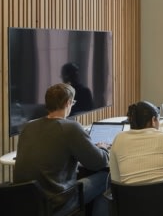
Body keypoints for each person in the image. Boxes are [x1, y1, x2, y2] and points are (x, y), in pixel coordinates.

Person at [14, 83, 110, 215]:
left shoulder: (28, 127)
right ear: (68, 102)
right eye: (73, 102)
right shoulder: (70, 128)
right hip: (57, 203)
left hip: (26, 203)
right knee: (107, 177)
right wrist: (103, 149)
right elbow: (99, 162)